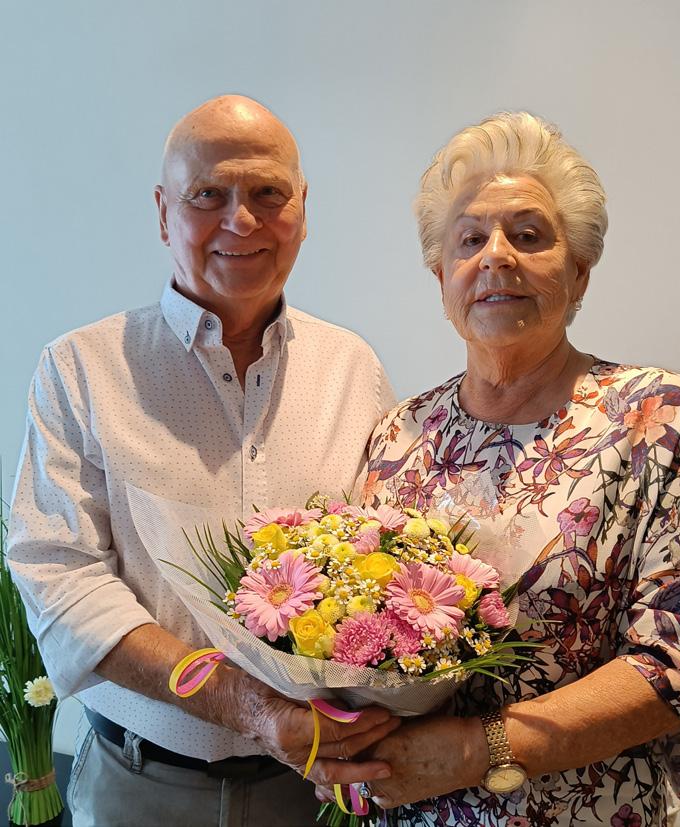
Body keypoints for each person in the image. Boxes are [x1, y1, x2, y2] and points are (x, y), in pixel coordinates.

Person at [8, 95, 400, 827]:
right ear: (164, 214)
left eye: (267, 193)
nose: (241, 220)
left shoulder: (354, 369)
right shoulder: (80, 369)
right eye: (208, 195)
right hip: (139, 788)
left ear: (303, 209)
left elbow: (386, 560)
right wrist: (247, 706)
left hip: (310, 791)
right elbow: (60, 574)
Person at [359, 112, 680, 825]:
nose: (496, 256)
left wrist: (476, 749)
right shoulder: (399, 436)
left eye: (528, 235)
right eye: (469, 239)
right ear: (441, 277)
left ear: (578, 272)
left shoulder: (657, 419)